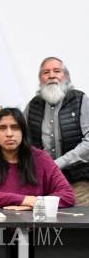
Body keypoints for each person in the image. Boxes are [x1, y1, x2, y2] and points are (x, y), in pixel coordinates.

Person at [0, 107, 75, 208]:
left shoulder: (41, 158)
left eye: (15, 128)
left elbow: (67, 195)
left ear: (23, 132)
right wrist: (23, 200)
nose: (9, 134)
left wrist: (35, 204)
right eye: (2, 128)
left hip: (32, 220)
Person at [25, 56, 89, 205]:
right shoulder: (33, 105)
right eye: (46, 72)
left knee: (77, 220)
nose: (51, 75)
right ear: (40, 79)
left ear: (66, 76)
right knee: (43, 220)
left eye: (57, 71)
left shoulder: (80, 100)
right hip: (43, 185)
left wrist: (58, 163)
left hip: (78, 184)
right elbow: (21, 139)